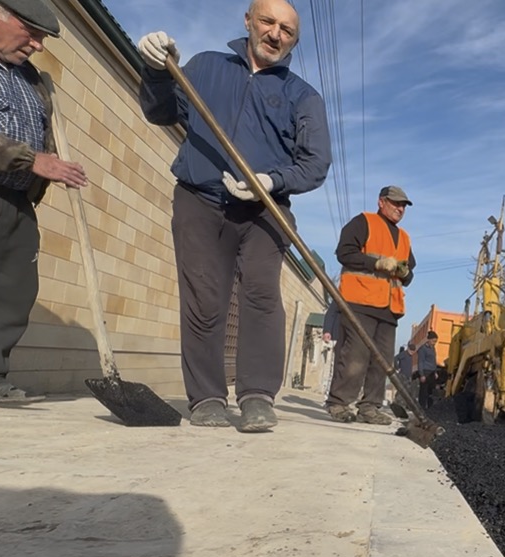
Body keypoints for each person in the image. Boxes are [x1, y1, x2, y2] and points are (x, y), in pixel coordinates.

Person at [136, 0, 331, 432]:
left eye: (287, 30)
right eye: (267, 21)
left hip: (265, 210)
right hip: (199, 200)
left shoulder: (304, 96)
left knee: (261, 296)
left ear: (294, 41)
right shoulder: (205, 67)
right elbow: (161, 112)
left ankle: (258, 396)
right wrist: (154, 69)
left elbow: (315, 163)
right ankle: (206, 397)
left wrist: (273, 181)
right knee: (205, 299)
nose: (276, 34)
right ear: (248, 21)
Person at [0, 0, 89, 405]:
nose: (38, 45)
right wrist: (31, 158)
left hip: (15, 199)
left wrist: (51, 161)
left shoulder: (32, 79)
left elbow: (43, 134)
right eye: (32, 33)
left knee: (10, 290)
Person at [325, 186, 416, 425]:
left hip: (389, 309)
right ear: (381, 202)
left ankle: (370, 408)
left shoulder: (404, 237)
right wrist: (377, 264)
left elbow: (409, 271)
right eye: (396, 203)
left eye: (403, 205)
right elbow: (344, 253)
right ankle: (339, 403)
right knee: (355, 355)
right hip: (360, 302)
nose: (400, 208)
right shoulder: (364, 222)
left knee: (382, 361)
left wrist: (405, 273)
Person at [416, 331, 437, 410]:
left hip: (432, 373)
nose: (434, 343)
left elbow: (434, 361)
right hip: (425, 372)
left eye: (435, 341)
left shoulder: (433, 348)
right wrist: (422, 375)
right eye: (433, 341)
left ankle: (430, 409)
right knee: (423, 393)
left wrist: (435, 372)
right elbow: (420, 362)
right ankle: (421, 409)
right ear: (428, 340)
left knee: (431, 392)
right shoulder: (422, 349)